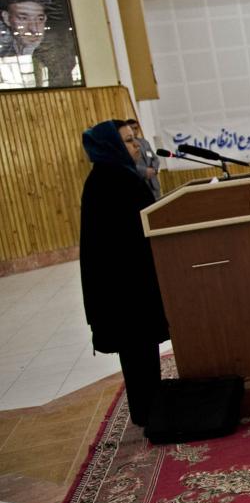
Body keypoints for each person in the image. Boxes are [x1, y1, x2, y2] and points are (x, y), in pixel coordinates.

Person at [79, 119, 169, 427]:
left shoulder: (108, 176)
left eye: (135, 139)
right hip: (126, 286)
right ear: (113, 146)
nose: (136, 146)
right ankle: (148, 412)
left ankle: (148, 408)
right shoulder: (115, 179)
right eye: (129, 141)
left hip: (125, 283)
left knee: (139, 351)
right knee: (138, 350)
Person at [125, 117, 161, 200]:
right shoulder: (125, 145)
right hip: (140, 184)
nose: (135, 131)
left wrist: (154, 169)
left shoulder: (144, 142)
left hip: (154, 184)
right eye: (132, 128)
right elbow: (127, 163)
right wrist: (145, 171)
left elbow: (155, 158)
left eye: (136, 128)